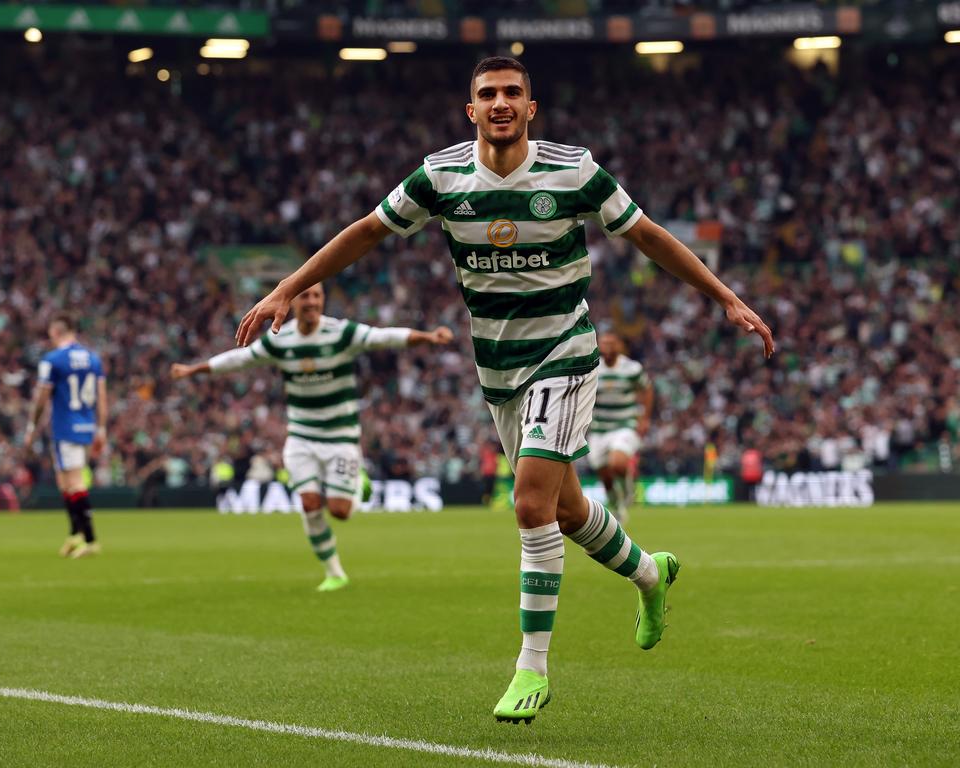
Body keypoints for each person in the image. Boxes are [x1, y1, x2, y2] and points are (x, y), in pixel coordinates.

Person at [234, 57, 774, 722]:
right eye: (487, 94)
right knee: (567, 511)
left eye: (512, 93)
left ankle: (531, 668)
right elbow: (368, 231)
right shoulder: (441, 175)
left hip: (565, 355)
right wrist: (288, 286)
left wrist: (726, 298)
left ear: (531, 107)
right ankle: (649, 575)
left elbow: (648, 236)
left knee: (527, 506)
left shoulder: (573, 170)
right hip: (497, 370)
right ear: (471, 110)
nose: (500, 103)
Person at [172, 283, 453, 592]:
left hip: (341, 435)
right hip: (302, 435)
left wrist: (427, 337)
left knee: (340, 512)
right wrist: (192, 370)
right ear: (292, 302)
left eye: (317, 295)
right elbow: (240, 359)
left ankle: (358, 480)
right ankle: (334, 572)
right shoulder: (281, 341)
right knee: (309, 502)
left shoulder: (341, 333)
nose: (312, 301)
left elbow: (382, 337)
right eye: (305, 296)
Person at [23, 314, 107, 558]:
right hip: (87, 425)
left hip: (65, 427)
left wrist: (31, 427)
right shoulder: (93, 359)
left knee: (74, 482)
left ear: (56, 332)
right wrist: (101, 428)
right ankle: (74, 534)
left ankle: (90, 540)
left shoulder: (53, 360)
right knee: (64, 483)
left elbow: (41, 398)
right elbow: (101, 397)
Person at [587, 333, 653, 524]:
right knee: (605, 477)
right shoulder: (593, 367)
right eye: (604, 344)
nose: (607, 348)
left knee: (618, 463)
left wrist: (645, 419)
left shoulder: (631, 368)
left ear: (619, 346)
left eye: (611, 344)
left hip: (624, 425)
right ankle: (617, 506)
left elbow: (647, 389)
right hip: (599, 429)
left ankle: (627, 489)